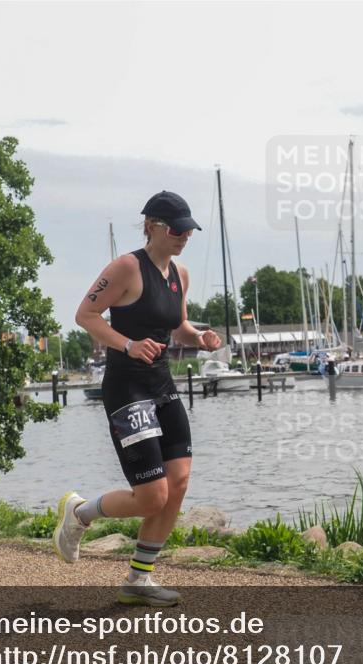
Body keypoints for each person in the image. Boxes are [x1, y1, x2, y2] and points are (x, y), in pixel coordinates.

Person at [53, 191, 221, 606]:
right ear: (152, 225)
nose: (184, 236)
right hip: (127, 388)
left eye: (189, 229)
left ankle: (138, 580)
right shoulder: (127, 266)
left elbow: (177, 325)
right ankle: (79, 514)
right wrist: (127, 345)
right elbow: (85, 316)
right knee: (151, 496)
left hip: (161, 385)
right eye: (176, 229)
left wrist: (199, 337)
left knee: (178, 482)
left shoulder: (180, 274)